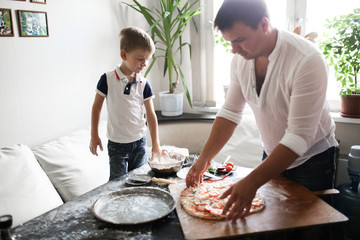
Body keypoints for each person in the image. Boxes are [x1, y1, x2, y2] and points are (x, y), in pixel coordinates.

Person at [186, 0, 338, 222]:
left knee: (309, 228)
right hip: (273, 154)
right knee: (272, 223)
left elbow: (299, 136)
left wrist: (251, 181)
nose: (234, 50)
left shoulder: (307, 60)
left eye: (239, 40)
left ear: (264, 25)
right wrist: (204, 159)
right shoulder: (240, 59)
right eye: (229, 42)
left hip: (313, 160)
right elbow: (230, 112)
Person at [90, 27, 161, 181]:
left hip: (140, 143)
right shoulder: (107, 79)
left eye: (147, 59)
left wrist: (156, 144)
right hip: (117, 145)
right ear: (124, 54)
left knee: (140, 180)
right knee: (118, 183)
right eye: (140, 59)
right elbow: (96, 107)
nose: (144, 64)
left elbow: (150, 114)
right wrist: (94, 134)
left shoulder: (144, 83)